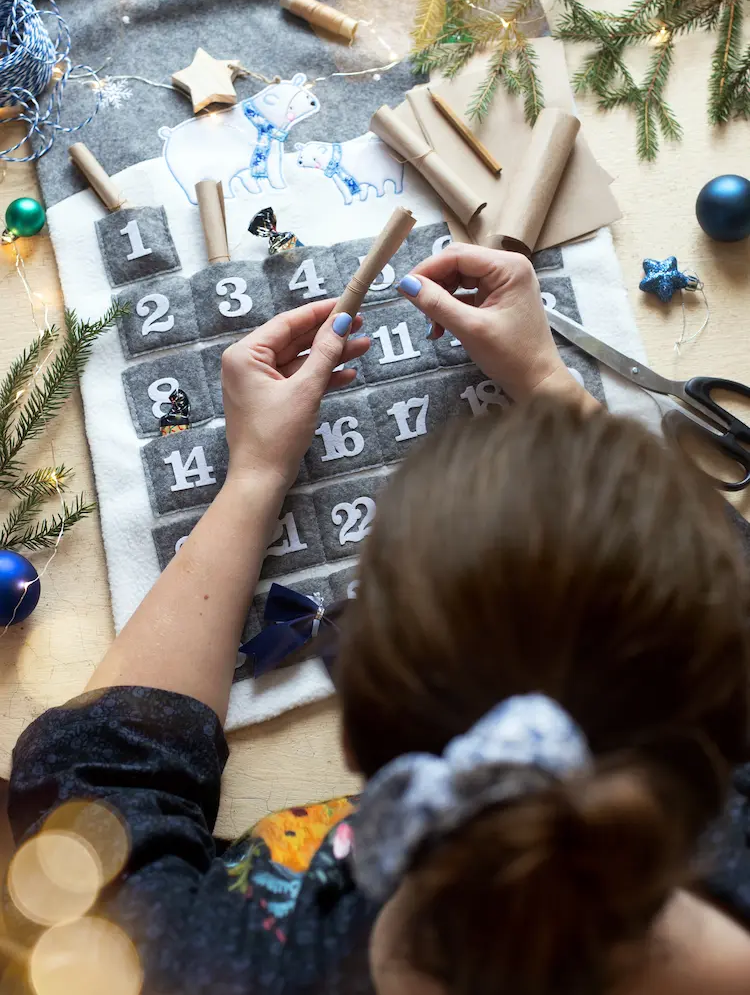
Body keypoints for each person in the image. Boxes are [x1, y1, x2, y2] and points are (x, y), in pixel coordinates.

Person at [5, 245, 750, 995]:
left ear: (357, 722)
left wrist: (256, 475)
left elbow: (96, 773)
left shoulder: (175, 966)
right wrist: (548, 379)